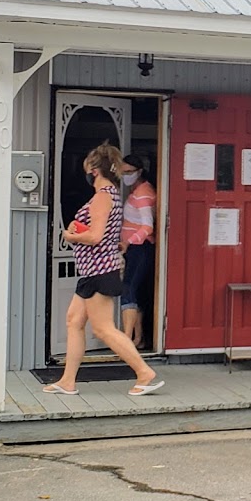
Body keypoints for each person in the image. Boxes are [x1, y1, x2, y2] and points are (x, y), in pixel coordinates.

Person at [43, 142, 164, 397]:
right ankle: (67, 381)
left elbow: (96, 236)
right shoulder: (112, 194)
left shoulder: (102, 197)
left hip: (99, 270)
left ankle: (144, 372)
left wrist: (71, 235)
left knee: (103, 328)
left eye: (86, 168)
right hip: (93, 270)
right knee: (74, 321)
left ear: (94, 170)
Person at [119, 154, 157, 348]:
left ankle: (127, 338)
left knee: (129, 290)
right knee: (136, 292)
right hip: (134, 248)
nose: (125, 176)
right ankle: (138, 338)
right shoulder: (136, 191)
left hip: (140, 248)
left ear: (139, 171)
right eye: (122, 172)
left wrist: (129, 242)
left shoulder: (143, 194)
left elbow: (147, 227)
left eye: (129, 172)